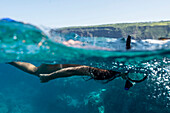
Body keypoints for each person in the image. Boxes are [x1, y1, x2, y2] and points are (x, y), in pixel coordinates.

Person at [7, 36, 147, 90]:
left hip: (66, 56)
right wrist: (50, 77)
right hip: (60, 63)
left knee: (36, 69)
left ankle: (10, 56)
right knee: (37, 72)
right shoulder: (105, 73)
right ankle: (9, 57)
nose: (126, 77)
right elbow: (73, 71)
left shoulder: (115, 65)